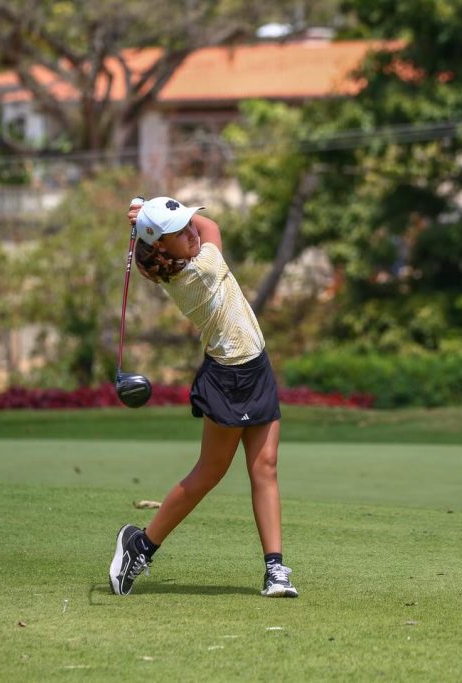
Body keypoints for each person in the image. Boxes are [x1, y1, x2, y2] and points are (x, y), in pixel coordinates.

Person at [109, 196, 297, 598]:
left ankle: (275, 569)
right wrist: (148, 214)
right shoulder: (201, 269)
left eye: (189, 225)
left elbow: (195, 228)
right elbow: (213, 227)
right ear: (162, 247)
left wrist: (149, 217)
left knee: (265, 468)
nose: (193, 232)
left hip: (256, 367)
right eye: (181, 232)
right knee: (208, 474)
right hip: (229, 379)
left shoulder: (173, 265)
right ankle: (141, 546)